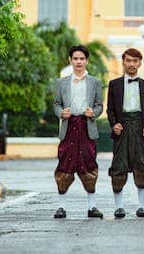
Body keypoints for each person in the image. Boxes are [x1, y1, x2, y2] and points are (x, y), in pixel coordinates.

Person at [53, 45, 104, 219]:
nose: (79, 61)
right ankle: (61, 207)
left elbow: (99, 105)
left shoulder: (95, 82)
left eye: (82, 58)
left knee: (89, 163)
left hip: (86, 126)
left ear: (87, 61)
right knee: (64, 164)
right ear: (70, 60)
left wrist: (94, 113)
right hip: (69, 126)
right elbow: (56, 103)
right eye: (75, 58)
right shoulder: (61, 82)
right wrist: (61, 113)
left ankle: (92, 207)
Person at [107, 48, 144, 218]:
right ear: (123, 62)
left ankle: (141, 206)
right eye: (128, 60)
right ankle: (119, 206)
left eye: (135, 61)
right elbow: (110, 109)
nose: (132, 64)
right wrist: (114, 124)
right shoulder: (114, 84)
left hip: (140, 130)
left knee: (141, 165)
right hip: (122, 129)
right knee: (118, 166)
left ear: (140, 63)